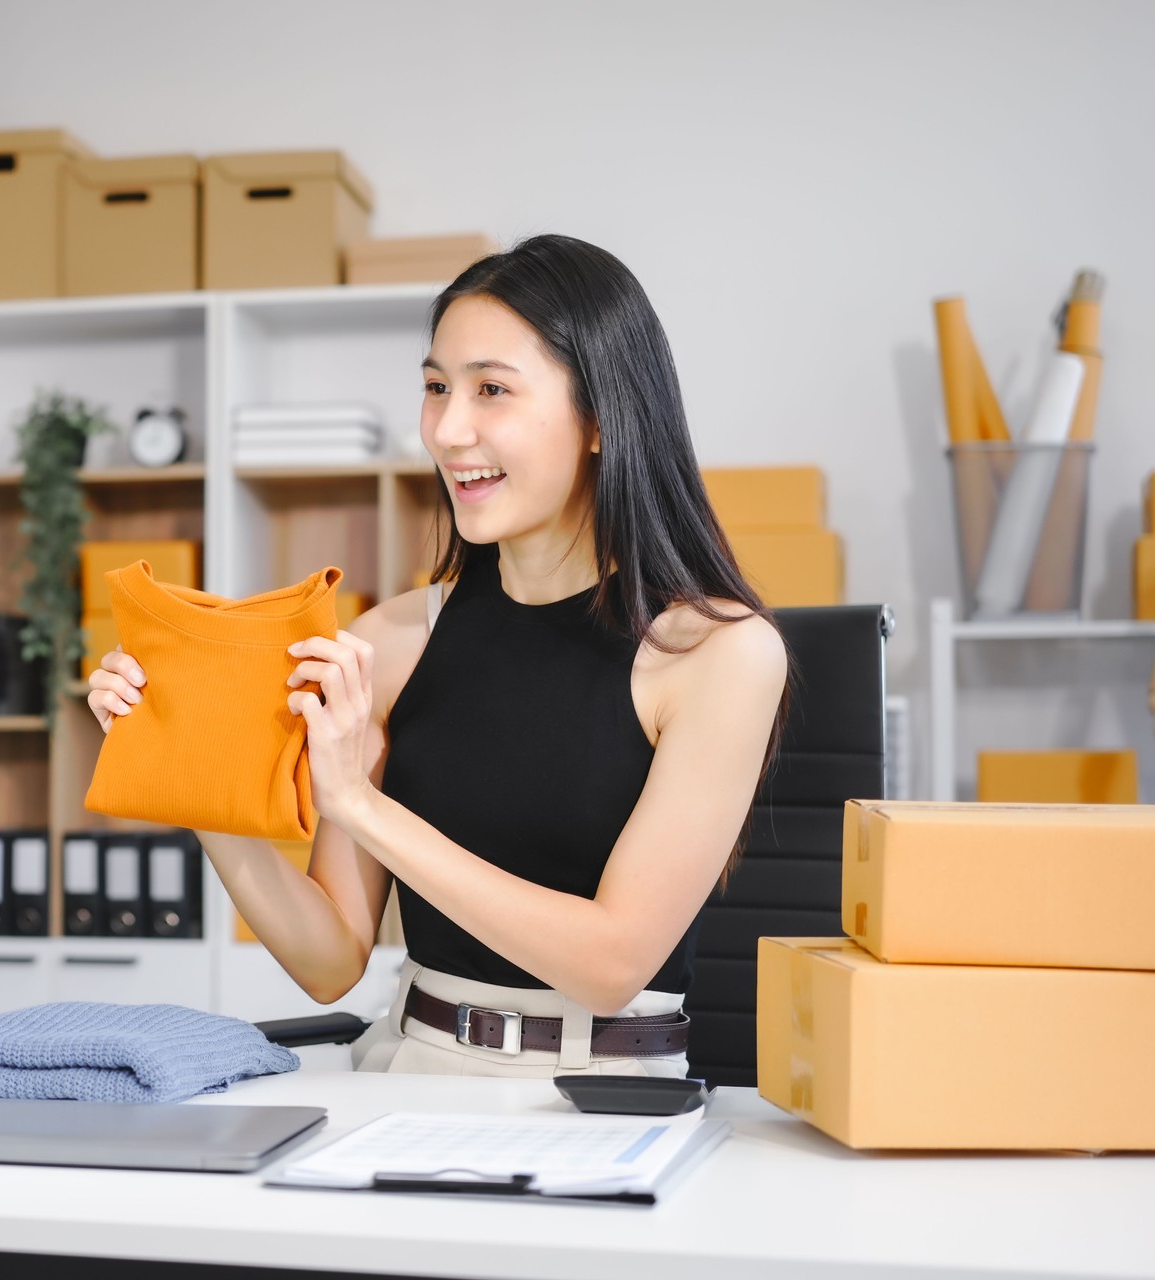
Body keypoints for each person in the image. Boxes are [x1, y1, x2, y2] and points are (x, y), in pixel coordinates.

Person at [85, 235, 788, 1077]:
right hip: (407, 1074)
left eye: (491, 390)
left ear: (601, 418)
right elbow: (329, 962)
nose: (449, 431)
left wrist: (357, 802)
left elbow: (612, 966)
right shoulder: (393, 642)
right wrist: (185, 765)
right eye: (435, 387)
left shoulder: (718, 654)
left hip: (600, 1096)